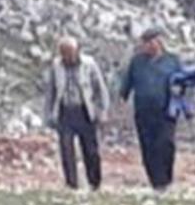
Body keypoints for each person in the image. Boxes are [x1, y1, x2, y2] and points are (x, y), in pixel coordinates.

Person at [42, 36, 110, 191]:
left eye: (70, 53)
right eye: (64, 53)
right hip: (65, 112)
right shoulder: (56, 66)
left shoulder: (89, 64)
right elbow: (50, 92)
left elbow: (100, 89)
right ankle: (71, 184)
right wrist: (49, 115)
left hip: (85, 111)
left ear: (77, 51)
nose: (68, 57)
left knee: (90, 150)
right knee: (66, 149)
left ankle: (94, 182)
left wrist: (102, 110)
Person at [117, 28, 182, 192]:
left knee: (166, 144)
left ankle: (166, 179)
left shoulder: (172, 61)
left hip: (166, 111)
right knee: (148, 147)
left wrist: (179, 92)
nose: (145, 47)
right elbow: (127, 84)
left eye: (148, 43)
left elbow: (182, 81)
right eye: (144, 43)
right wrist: (122, 100)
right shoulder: (137, 62)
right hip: (144, 112)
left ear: (157, 42)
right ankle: (156, 182)